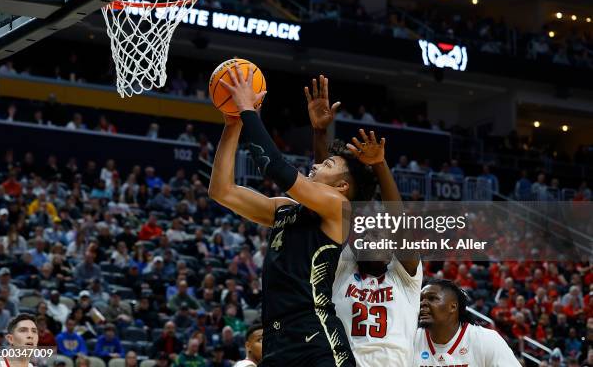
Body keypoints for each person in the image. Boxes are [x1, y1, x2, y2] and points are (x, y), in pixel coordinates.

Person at [209, 66, 374, 367]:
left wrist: (248, 110)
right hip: (275, 342)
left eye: (329, 165)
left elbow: (276, 167)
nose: (317, 165)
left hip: (316, 338)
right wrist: (232, 124)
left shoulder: (339, 207)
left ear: (342, 186)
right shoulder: (284, 209)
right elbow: (222, 191)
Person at [302, 76, 422, 366]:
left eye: (379, 234)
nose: (372, 238)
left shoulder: (405, 278)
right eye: (365, 235)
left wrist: (380, 165)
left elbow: (398, 218)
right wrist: (320, 134)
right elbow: (325, 194)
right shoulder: (342, 265)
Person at [413, 279, 520, 366]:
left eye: (432, 298)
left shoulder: (486, 339)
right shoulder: (411, 339)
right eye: (421, 299)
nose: (423, 303)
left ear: (453, 306)